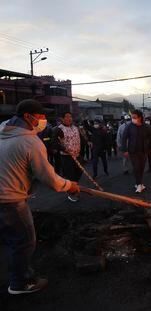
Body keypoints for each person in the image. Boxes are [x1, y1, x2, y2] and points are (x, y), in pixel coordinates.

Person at [0, 99, 80, 295]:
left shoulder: (2, 131)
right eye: (41, 116)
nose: (43, 120)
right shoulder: (30, 142)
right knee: (25, 240)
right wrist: (70, 186)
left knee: (11, 238)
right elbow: (49, 178)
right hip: (10, 200)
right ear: (28, 116)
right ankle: (20, 283)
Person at [121, 110, 151, 193]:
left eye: (134, 117)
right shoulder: (129, 126)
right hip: (133, 151)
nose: (133, 119)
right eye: (132, 117)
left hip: (143, 151)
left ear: (140, 118)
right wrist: (124, 150)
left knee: (141, 168)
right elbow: (124, 138)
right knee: (136, 167)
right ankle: (139, 185)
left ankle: (139, 183)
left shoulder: (146, 127)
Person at [52, 112, 82, 202]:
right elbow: (54, 142)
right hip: (67, 156)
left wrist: (87, 142)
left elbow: (80, 138)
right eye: (67, 117)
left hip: (77, 154)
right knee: (70, 175)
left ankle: (73, 186)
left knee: (79, 172)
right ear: (62, 118)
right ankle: (71, 194)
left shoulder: (75, 128)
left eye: (70, 117)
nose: (69, 118)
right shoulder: (59, 129)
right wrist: (63, 148)